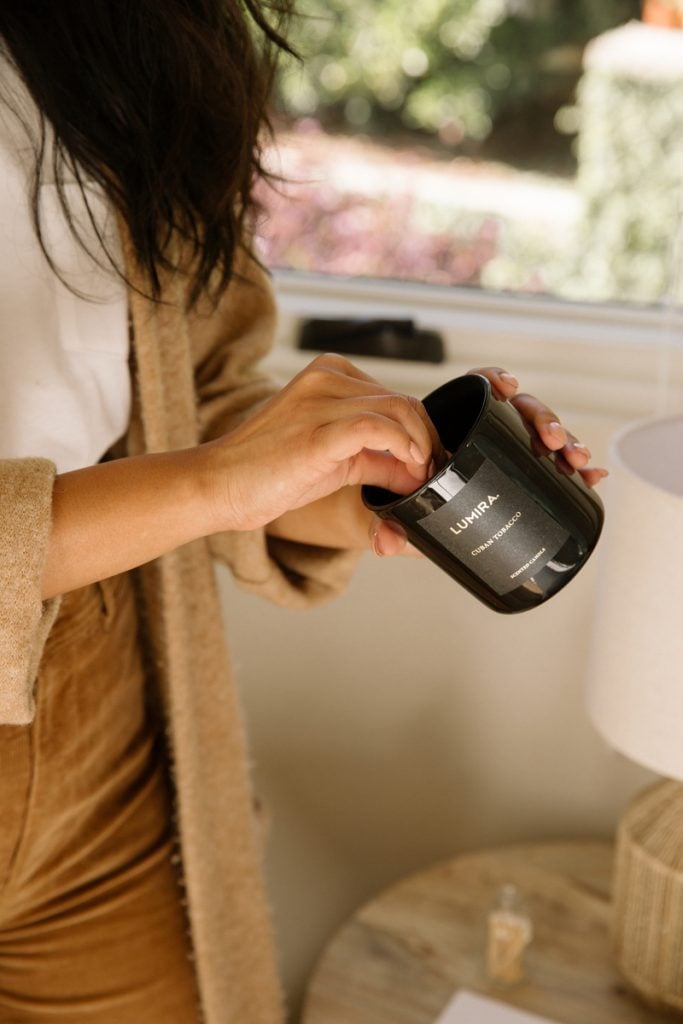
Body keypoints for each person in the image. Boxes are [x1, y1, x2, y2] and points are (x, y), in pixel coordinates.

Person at [0, 4, 605, 1023]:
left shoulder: (125, 31)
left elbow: (190, 394)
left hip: (98, 734)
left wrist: (360, 467)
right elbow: (208, 470)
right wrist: (219, 479)